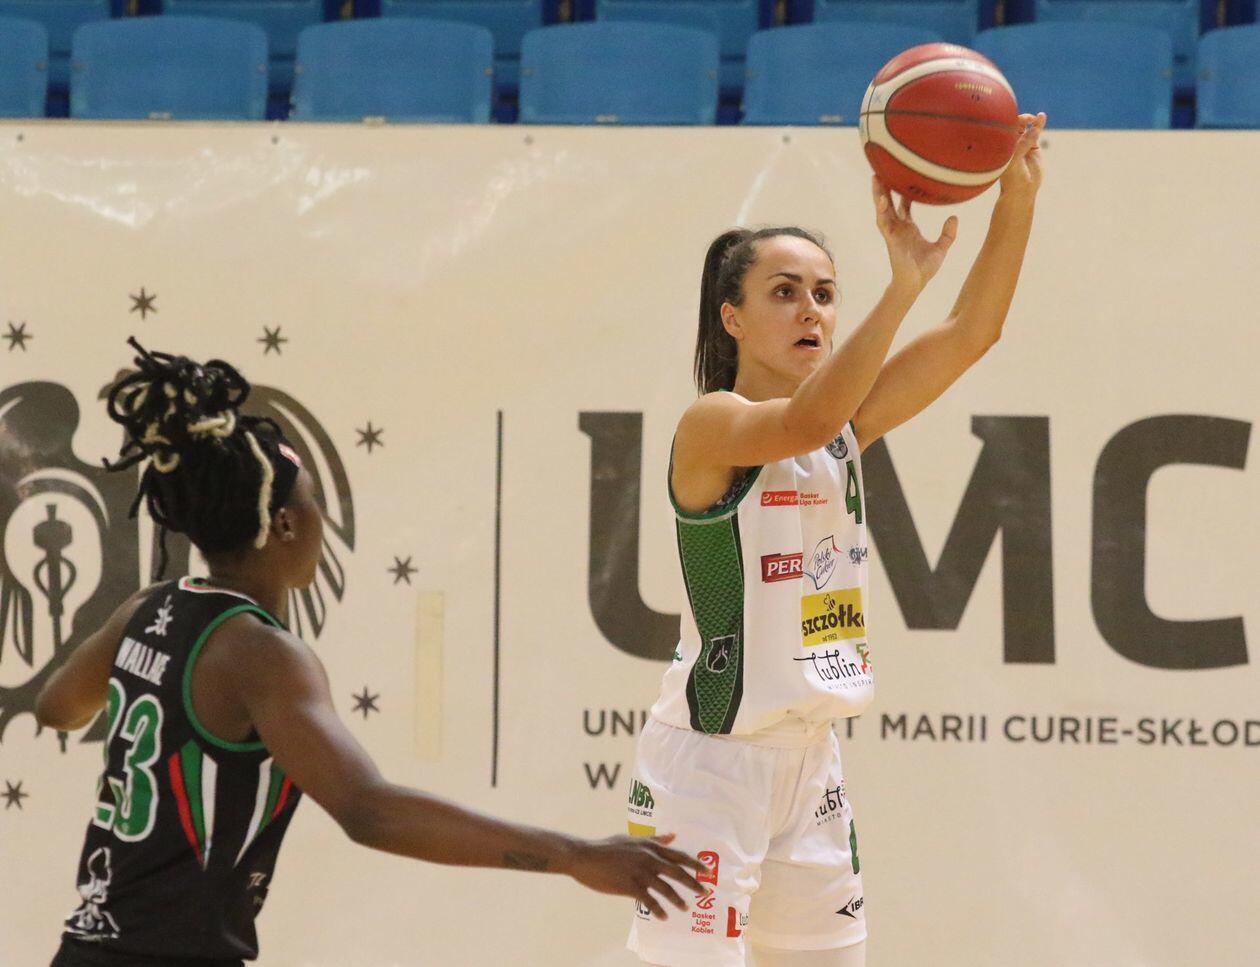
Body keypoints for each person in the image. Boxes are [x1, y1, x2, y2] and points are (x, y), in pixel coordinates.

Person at [37, 338, 705, 967]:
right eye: (314, 502)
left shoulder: (146, 609)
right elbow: (368, 811)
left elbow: (56, 706)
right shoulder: (262, 654)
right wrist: (575, 855)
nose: (322, 520)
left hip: (84, 945)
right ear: (284, 523)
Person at [625, 114, 1047, 967]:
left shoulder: (842, 430)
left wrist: (1018, 196)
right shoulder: (713, 423)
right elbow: (806, 419)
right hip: (708, 768)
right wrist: (902, 289)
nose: (811, 310)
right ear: (732, 318)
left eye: (824, 293)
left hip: (810, 763)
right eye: (784, 292)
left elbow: (972, 333)